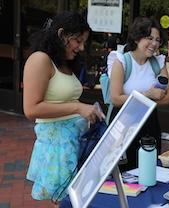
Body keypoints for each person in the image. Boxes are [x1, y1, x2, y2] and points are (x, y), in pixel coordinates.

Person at [23, 11, 104, 204]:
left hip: (72, 142)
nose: (81, 47)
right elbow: (31, 109)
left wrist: (86, 111)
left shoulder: (64, 63)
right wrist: (77, 108)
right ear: (61, 34)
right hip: (56, 147)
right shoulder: (40, 59)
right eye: (78, 40)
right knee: (65, 201)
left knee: (73, 200)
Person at [109, 17, 169, 170]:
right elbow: (116, 98)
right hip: (124, 124)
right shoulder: (122, 61)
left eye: (157, 40)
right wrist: (147, 95)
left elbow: (168, 98)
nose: (154, 43)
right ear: (137, 38)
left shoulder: (159, 62)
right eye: (149, 38)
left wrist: (145, 99)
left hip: (149, 123)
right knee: (125, 172)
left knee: (148, 169)